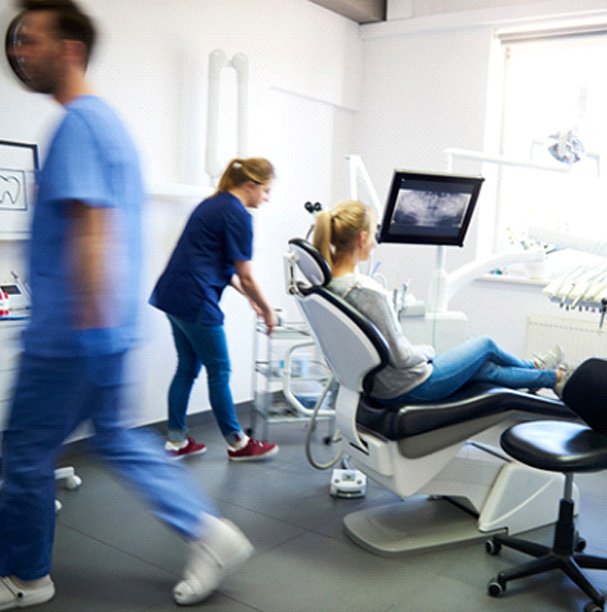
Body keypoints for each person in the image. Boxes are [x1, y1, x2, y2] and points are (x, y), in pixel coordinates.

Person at [0, 1, 252, 608]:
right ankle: (211, 532)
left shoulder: (79, 124)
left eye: (30, 40)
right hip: (105, 328)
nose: (17, 51)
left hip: (73, 333)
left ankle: (27, 577)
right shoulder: (104, 122)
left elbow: (92, 227)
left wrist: (84, 327)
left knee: (23, 453)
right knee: (115, 438)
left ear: (70, 49)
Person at [312, 200, 570, 404]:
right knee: (485, 346)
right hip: (410, 386)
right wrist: (428, 351)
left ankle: (547, 377)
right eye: (374, 234)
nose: (375, 241)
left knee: (485, 370)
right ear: (361, 238)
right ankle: (539, 369)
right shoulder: (365, 291)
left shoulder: (329, 287)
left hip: (382, 384)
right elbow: (402, 357)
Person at [150, 158, 279, 461]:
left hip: (173, 294)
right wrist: (267, 308)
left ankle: (176, 441)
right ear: (250, 185)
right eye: (266, 190)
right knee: (219, 370)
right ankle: (238, 443)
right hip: (195, 298)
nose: (267, 198)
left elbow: (212, 260)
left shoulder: (213, 204)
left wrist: (246, 295)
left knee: (187, 367)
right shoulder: (237, 214)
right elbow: (245, 273)